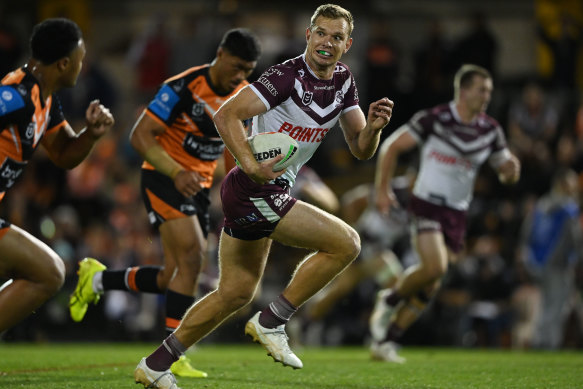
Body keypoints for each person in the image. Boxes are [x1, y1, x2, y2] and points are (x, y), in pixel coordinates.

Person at [133, 4, 394, 388]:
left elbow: (359, 149)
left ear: (347, 44)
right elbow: (226, 115)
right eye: (321, 33)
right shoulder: (286, 76)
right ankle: (274, 320)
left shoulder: (344, 81)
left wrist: (372, 129)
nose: (327, 42)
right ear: (308, 35)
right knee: (347, 243)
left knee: (235, 292)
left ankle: (155, 365)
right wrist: (252, 166)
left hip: (264, 191)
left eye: (336, 37)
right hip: (253, 188)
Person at [68, 28, 262, 377]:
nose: (239, 76)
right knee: (192, 256)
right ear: (219, 54)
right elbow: (140, 136)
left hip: (198, 186)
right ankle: (173, 351)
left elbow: (236, 149)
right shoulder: (182, 87)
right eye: (235, 66)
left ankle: (97, 280)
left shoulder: (243, 96)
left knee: (175, 275)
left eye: (247, 70)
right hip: (164, 176)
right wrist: (175, 172)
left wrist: (236, 190)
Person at [369, 64, 520, 363]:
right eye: (482, 90)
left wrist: (511, 172)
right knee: (435, 267)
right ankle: (389, 299)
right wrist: (381, 189)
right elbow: (391, 147)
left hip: (457, 213)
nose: (487, 96)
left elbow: (506, 172)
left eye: (489, 91)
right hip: (427, 203)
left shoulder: (490, 130)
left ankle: (386, 342)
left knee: (432, 284)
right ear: (463, 91)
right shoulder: (435, 119)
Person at [0, 18, 113, 333]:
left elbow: (64, 154)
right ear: (65, 63)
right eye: (81, 58)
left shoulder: (45, 100)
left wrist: (91, 134)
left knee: (49, 271)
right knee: (47, 272)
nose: (82, 65)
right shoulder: (17, 94)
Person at [518, 168, 582, 349]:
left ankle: (539, 340)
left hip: (537, 263)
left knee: (544, 304)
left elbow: (526, 234)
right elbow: (575, 239)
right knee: (556, 307)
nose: (575, 188)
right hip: (559, 266)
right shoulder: (569, 208)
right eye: (572, 184)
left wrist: (527, 259)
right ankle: (548, 344)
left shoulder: (540, 206)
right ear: (563, 184)